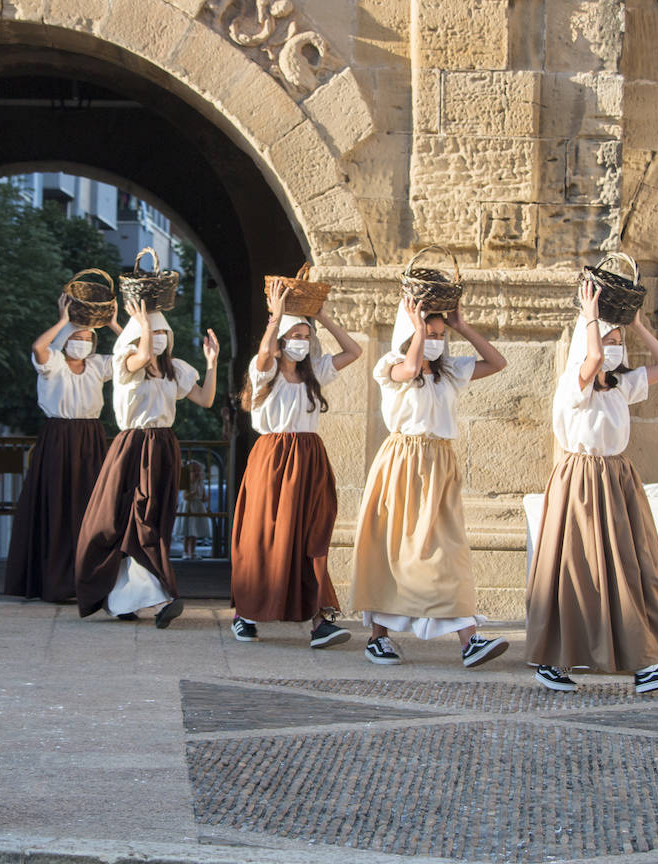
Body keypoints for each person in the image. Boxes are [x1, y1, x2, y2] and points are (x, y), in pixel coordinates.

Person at [525, 280, 658, 694]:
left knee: (633, 569)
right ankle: (554, 660)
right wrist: (591, 316)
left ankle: (645, 663)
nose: (612, 347)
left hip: (617, 478)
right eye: (607, 339)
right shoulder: (574, 386)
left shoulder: (620, 385)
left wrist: (638, 326)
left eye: (619, 341)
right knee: (576, 570)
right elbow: (594, 354)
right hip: (582, 478)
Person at [351, 296, 511, 668]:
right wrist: (418, 330)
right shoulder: (389, 366)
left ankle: (469, 638)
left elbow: (498, 363)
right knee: (392, 549)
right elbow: (409, 369)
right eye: (428, 332)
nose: (436, 339)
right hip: (402, 463)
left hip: (440, 464)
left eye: (440, 333)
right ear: (409, 333)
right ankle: (378, 637)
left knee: (447, 551)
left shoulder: (450, 370)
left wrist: (463, 327)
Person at [230, 279, 362, 647]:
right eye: (297, 334)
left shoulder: (313, 373)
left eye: (307, 335)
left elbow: (353, 352)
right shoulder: (267, 373)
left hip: (309, 459)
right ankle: (245, 611)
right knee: (263, 536)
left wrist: (323, 317)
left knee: (313, 536)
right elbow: (262, 357)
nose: (302, 340)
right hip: (272, 459)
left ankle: (320, 619)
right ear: (284, 339)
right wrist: (275, 320)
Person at [74, 299, 219, 626]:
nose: (156, 337)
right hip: (133, 446)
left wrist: (212, 363)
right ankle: (157, 596)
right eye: (150, 332)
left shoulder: (175, 368)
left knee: (152, 519)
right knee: (134, 519)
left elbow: (205, 399)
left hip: (164, 446)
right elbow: (141, 356)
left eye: (162, 332)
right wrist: (138, 324)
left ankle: (128, 599)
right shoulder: (127, 364)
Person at [4, 293, 120, 601]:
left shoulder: (97, 365)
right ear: (67, 338)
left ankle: (88, 580)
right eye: (76, 337)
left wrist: (113, 323)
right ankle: (54, 581)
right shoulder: (54, 362)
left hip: (91, 440)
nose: (82, 342)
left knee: (90, 508)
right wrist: (63, 321)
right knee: (56, 505)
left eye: (87, 337)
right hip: (58, 438)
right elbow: (39, 347)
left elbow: (135, 354)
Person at [175, 460, 212, 560]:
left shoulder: (201, 483)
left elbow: (203, 496)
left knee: (194, 532)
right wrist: (194, 493)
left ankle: (193, 552)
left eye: (198, 471)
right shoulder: (187, 483)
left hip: (197, 507)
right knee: (187, 532)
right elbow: (185, 496)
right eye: (194, 471)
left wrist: (206, 498)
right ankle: (185, 551)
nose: (197, 473)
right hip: (188, 507)